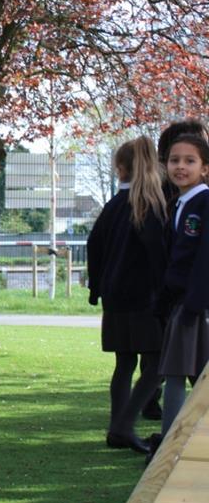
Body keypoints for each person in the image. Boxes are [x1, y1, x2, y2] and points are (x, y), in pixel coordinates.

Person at [87, 136, 167, 454]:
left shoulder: (113, 206)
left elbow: (94, 246)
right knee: (159, 363)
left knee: (124, 363)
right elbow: (157, 253)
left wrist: (96, 287)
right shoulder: (150, 205)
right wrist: (166, 291)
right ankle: (124, 425)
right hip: (144, 298)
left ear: (120, 169)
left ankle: (116, 428)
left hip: (115, 297)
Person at [156, 133, 209, 447]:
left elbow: (204, 258)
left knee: (175, 372)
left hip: (194, 304)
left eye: (190, 161)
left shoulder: (203, 203)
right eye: (175, 160)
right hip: (182, 302)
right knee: (190, 373)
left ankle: (168, 445)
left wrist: (193, 305)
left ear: (204, 168)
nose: (180, 166)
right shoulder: (179, 203)